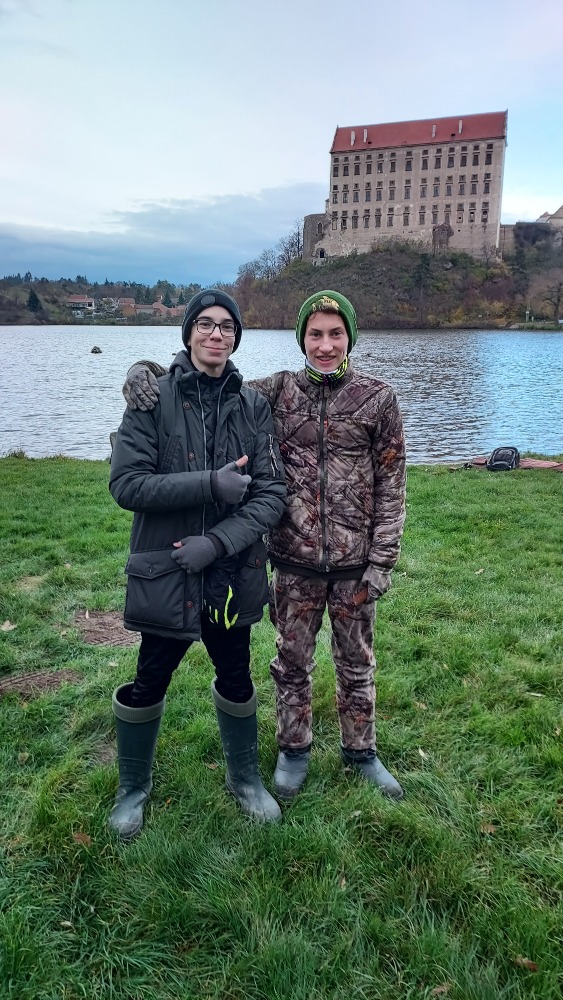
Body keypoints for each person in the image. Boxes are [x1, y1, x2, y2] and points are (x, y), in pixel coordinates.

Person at [123, 290, 406, 802]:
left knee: (357, 662)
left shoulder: (378, 399)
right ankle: (293, 750)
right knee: (291, 663)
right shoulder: (278, 390)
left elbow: (392, 484)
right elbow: (206, 384)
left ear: (350, 338)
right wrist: (144, 369)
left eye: (335, 334)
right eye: (315, 334)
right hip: (294, 560)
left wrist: (382, 560)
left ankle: (361, 752)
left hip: (356, 562)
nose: (325, 345)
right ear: (302, 339)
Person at [108, 289, 287, 839]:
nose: (216, 334)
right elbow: (127, 484)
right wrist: (209, 483)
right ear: (188, 333)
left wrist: (218, 542)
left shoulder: (253, 406)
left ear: (236, 338)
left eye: (227, 326)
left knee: (235, 673)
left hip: (229, 574)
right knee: (150, 677)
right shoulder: (151, 398)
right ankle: (133, 788)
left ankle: (245, 779)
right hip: (168, 572)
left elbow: (272, 493)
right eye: (205, 324)